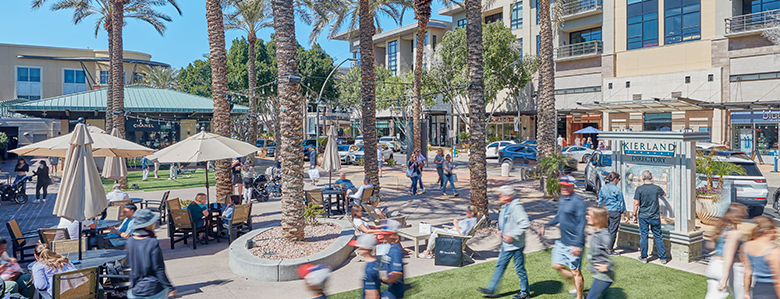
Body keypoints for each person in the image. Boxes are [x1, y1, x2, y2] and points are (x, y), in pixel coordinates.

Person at [478, 186, 530, 299]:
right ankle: (491, 289)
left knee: (519, 268)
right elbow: (503, 222)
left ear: (508, 196)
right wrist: (499, 229)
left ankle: (525, 292)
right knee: (500, 265)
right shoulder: (505, 207)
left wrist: (512, 235)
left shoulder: (516, 207)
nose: (498, 197)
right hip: (506, 245)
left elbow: (525, 223)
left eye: (500, 194)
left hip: (516, 245)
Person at [539, 176, 587, 299]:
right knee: (557, 265)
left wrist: (577, 244)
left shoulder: (578, 201)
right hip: (562, 242)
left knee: (576, 271)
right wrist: (547, 224)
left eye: (566, 186)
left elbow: (582, 223)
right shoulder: (562, 200)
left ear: (572, 186)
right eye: (562, 186)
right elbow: (559, 217)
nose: (563, 188)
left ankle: (579, 297)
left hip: (574, 243)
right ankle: (571, 281)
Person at [125, 209, 177, 299]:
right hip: (154, 288)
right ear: (149, 224)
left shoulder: (130, 241)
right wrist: (169, 287)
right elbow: (158, 268)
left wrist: (132, 286)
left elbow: (131, 266)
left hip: (136, 288)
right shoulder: (152, 242)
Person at [706, 203, 747, 299]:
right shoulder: (735, 233)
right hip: (730, 270)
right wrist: (725, 278)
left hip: (714, 265)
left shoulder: (720, 229)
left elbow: (711, 245)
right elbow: (728, 254)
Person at [632, 170, 668, 264]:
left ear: (642, 178)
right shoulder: (656, 188)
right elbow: (664, 194)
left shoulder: (639, 189)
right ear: (651, 178)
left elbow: (636, 203)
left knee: (644, 236)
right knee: (658, 236)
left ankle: (644, 257)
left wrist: (634, 215)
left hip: (643, 216)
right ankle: (662, 257)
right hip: (655, 216)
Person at [741, 216, 780, 299]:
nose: (775, 233)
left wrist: (747, 293)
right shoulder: (774, 252)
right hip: (771, 291)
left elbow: (747, 273)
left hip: (757, 289)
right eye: (774, 231)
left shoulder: (746, 246)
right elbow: (777, 281)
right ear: (767, 232)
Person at [350, 234, 395, 299]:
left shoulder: (370, 269)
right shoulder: (373, 263)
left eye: (359, 247)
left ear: (365, 248)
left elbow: (373, 294)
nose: (358, 250)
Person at [585, 207, 615, 299]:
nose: (587, 216)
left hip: (604, 276)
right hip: (599, 275)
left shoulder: (604, 235)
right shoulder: (597, 232)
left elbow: (613, 256)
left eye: (589, 215)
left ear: (597, 218)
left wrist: (608, 266)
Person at [597, 172, 626, 255]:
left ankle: (604, 247)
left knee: (605, 230)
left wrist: (599, 210)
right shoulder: (617, 189)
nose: (618, 181)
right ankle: (610, 249)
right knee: (612, 231)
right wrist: (624, 213)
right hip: (615, 212)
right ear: (615, 179)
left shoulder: (603, 188)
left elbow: (600, 200)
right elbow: (621, 202)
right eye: (619, 179)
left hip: (605, 211)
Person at [377, 220, 405, 299]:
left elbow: (397, 274)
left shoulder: (395, 250)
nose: (384, 236)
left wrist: (382, 278)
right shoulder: (389, 247)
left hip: (394, 293)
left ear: (393, 235)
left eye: (387, 234)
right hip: (390, 290)